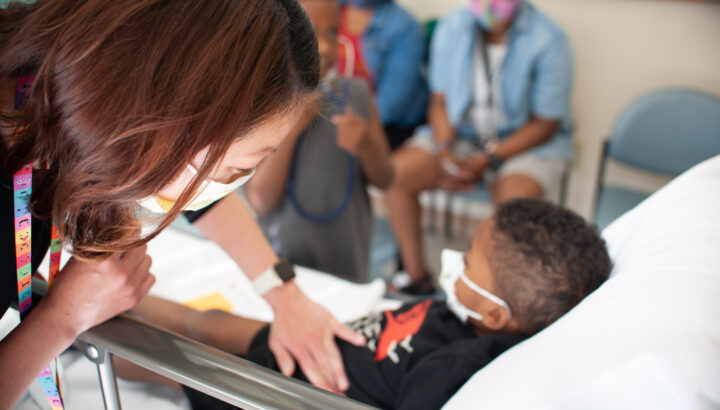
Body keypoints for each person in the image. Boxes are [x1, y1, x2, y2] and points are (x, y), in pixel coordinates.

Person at [0, 1, 365, 406]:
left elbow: (200, 194)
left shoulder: (54, 105)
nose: (227, 187)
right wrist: (61, 319)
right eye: (235, 171)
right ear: (158, 123)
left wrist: (283, 293)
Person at [119, 198, 612, 409]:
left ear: (496, 315)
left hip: (282, 386)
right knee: (204, 319)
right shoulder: (467, 313)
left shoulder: (463, 364)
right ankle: (101, 312)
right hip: (307, 345)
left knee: (169, 360)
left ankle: (92, 340)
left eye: (469, 259)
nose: (454, 261)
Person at [384, 0, 575, 294]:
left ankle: (490, 294)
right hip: (461, 136)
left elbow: (545, 124)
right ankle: (415, 278)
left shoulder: (549, 39)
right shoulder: (452, 27)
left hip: (524, 143)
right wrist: (445, 149)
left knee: (514, 203)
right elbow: (440, 103)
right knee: (395, 174)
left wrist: (489, 159)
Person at [244, 0, 393, 283]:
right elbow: (261, 201)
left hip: (346, 260)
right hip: (284, 263)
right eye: (311, 35)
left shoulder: (357, 95)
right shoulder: (264, 103)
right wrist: (296, 124)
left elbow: (385, 179)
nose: (324, 48)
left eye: (332, 34)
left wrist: (366, 146)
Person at [336, 0, 428, 149]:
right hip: (335, 119)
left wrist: (341, 124)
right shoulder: (325, 9)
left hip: (387, 128)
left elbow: (391, 105)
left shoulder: (405, 27)